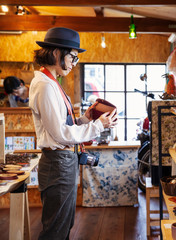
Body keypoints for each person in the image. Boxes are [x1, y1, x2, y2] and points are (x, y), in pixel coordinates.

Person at [29, 27, 117, 240]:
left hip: (62, 160)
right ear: (57, 53)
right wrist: (98, 126)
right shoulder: (46, 86)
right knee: (56, 229)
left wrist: (86, 119)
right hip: (58, 161)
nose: (73, 63)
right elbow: (59, 133)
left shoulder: (51, 82)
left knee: (63, 224)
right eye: (73, 57)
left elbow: (62, 126)